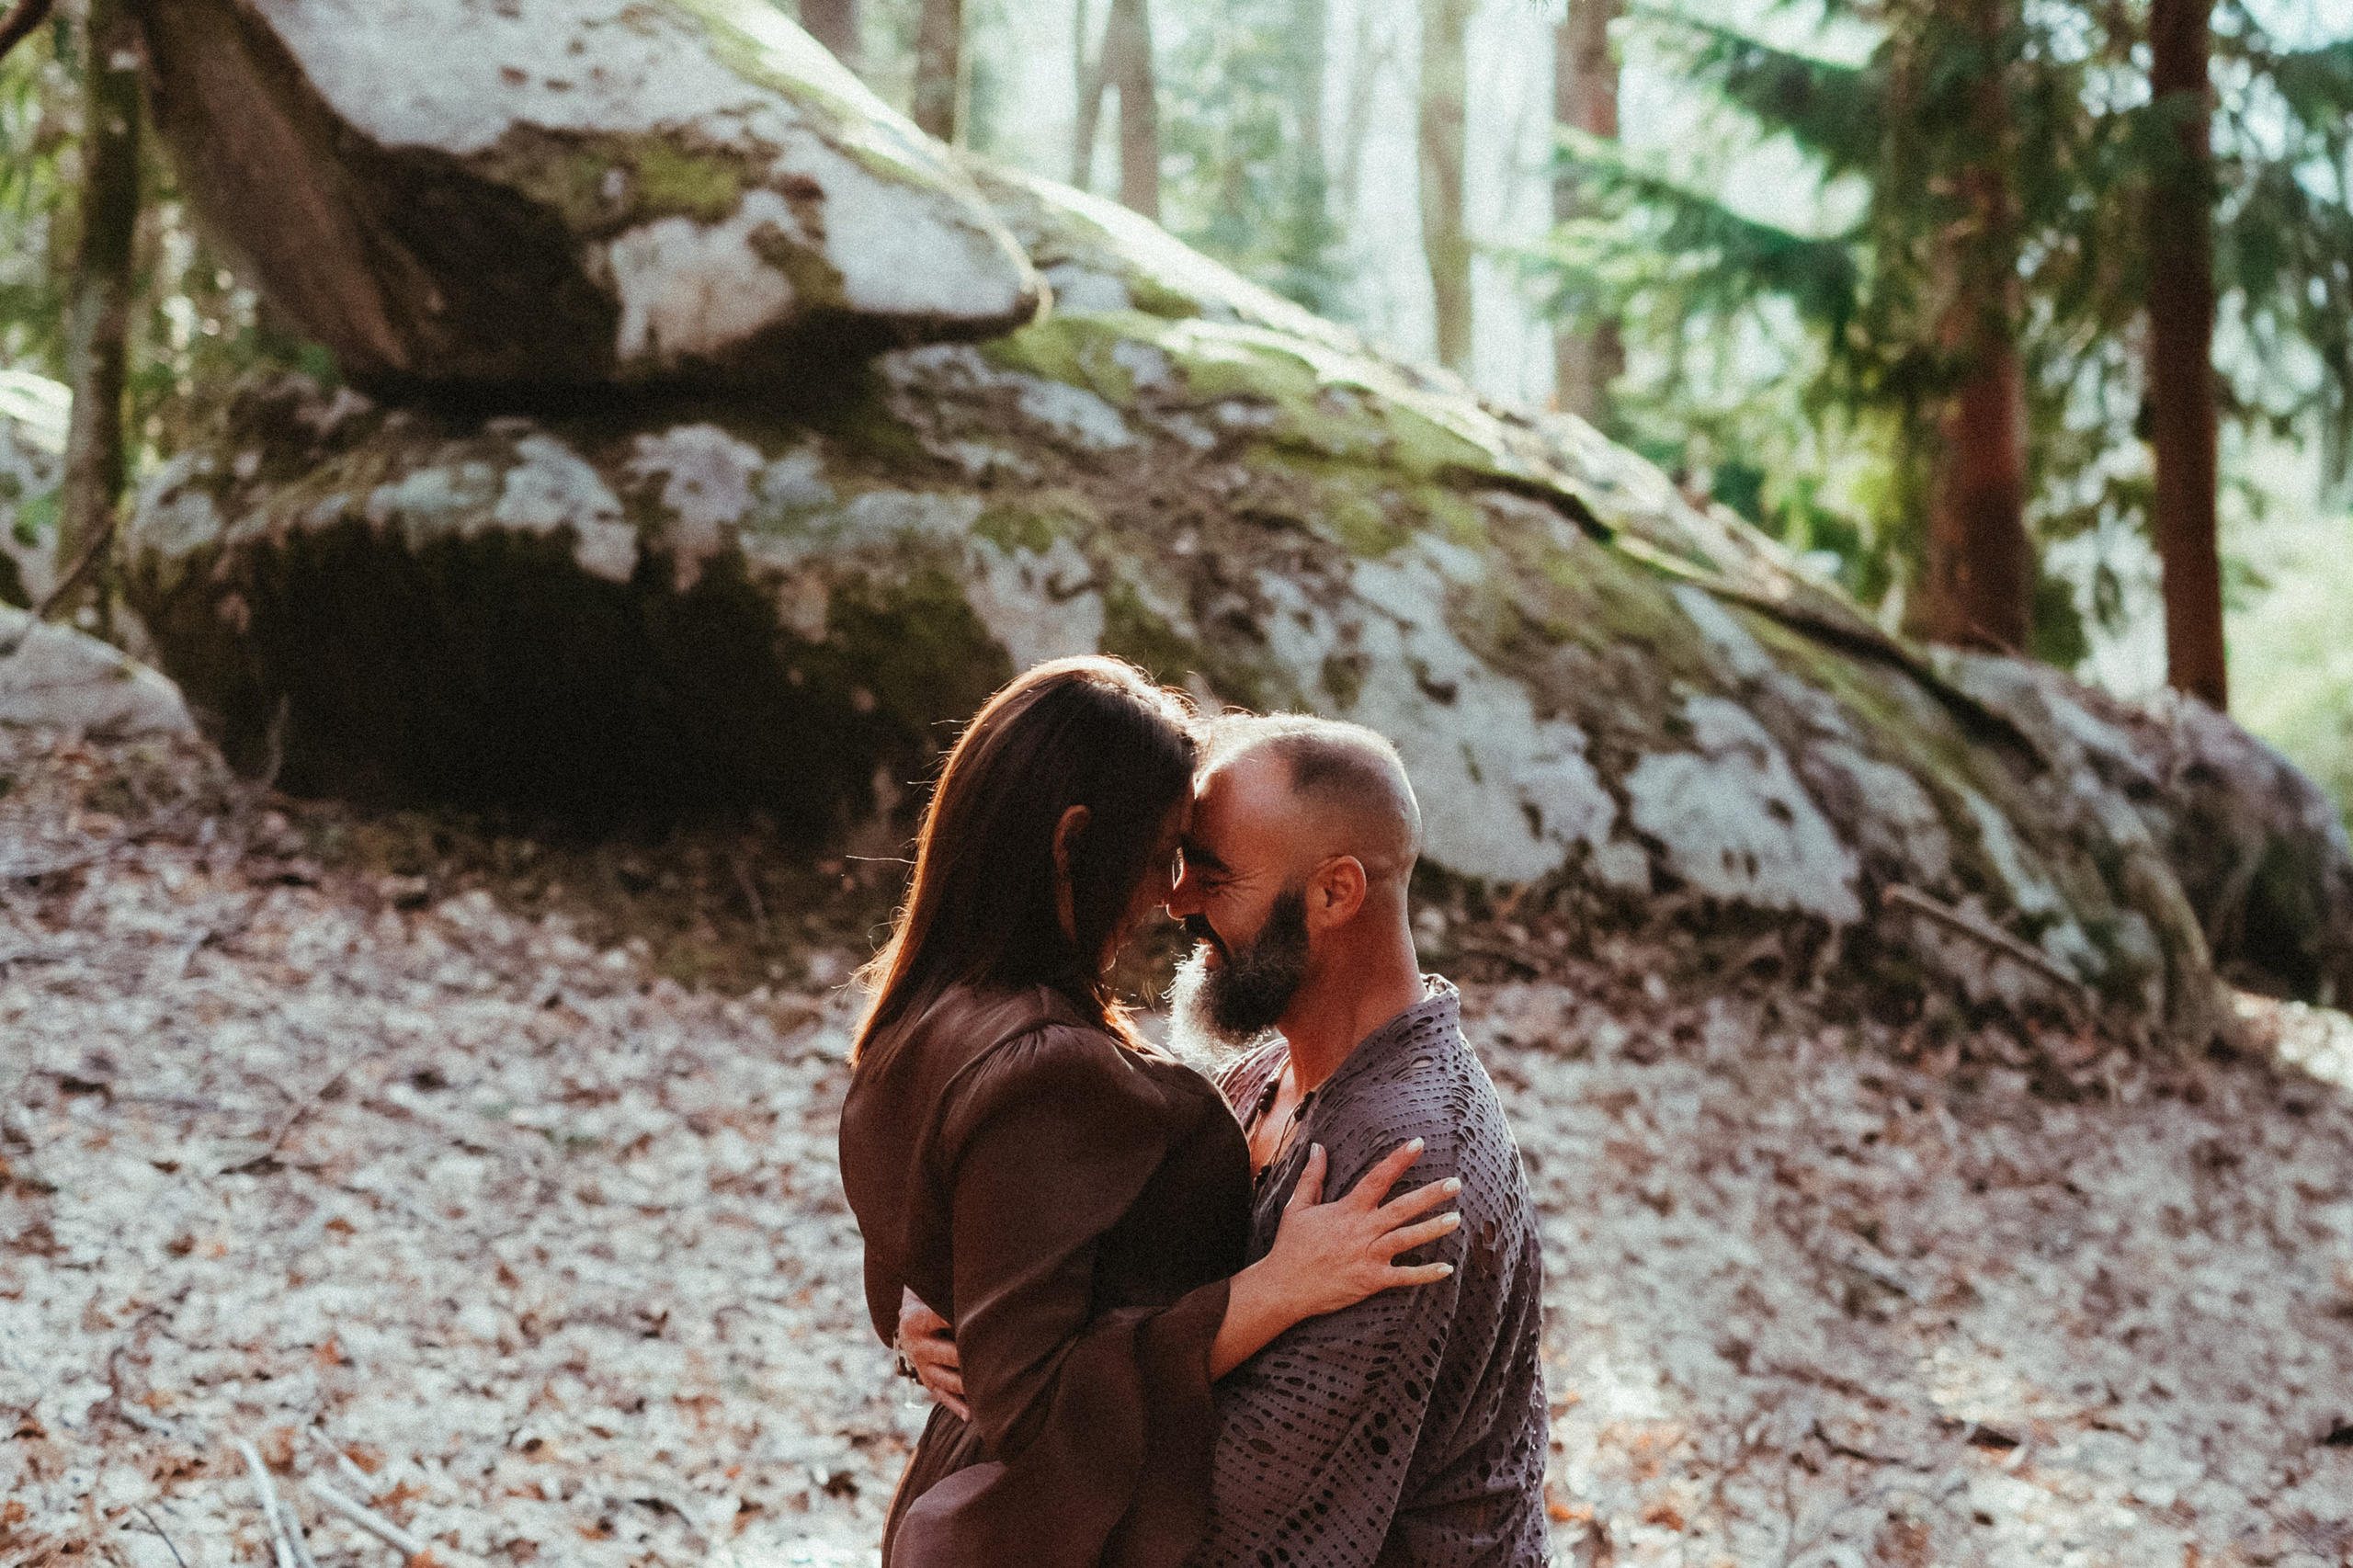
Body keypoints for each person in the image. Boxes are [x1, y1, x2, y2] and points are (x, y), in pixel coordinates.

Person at [837, 658, 1462, 1568]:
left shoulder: (926, 1010)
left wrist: (924, 1312)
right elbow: (1038, 1404)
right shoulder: (1049, 1068)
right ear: (1071, 844)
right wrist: (1270, 1290)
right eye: (1164, 848)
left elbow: (921, 1225)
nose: (1171, 894)